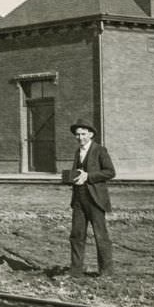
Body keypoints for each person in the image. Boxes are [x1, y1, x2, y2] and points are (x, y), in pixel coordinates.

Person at [67, 119, 116, 278]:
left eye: (83, 134)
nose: (79, 137)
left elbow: (110, 172)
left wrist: (89, 176)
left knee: (100, 235)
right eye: (77, 134)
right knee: (76, 235)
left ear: (91, 134)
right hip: (79, 200)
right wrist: (70, 178)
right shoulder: (77, 152)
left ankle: (106, 272)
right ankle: (75, 271)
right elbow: (78, 174)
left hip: (95, 199)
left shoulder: (100, 150)